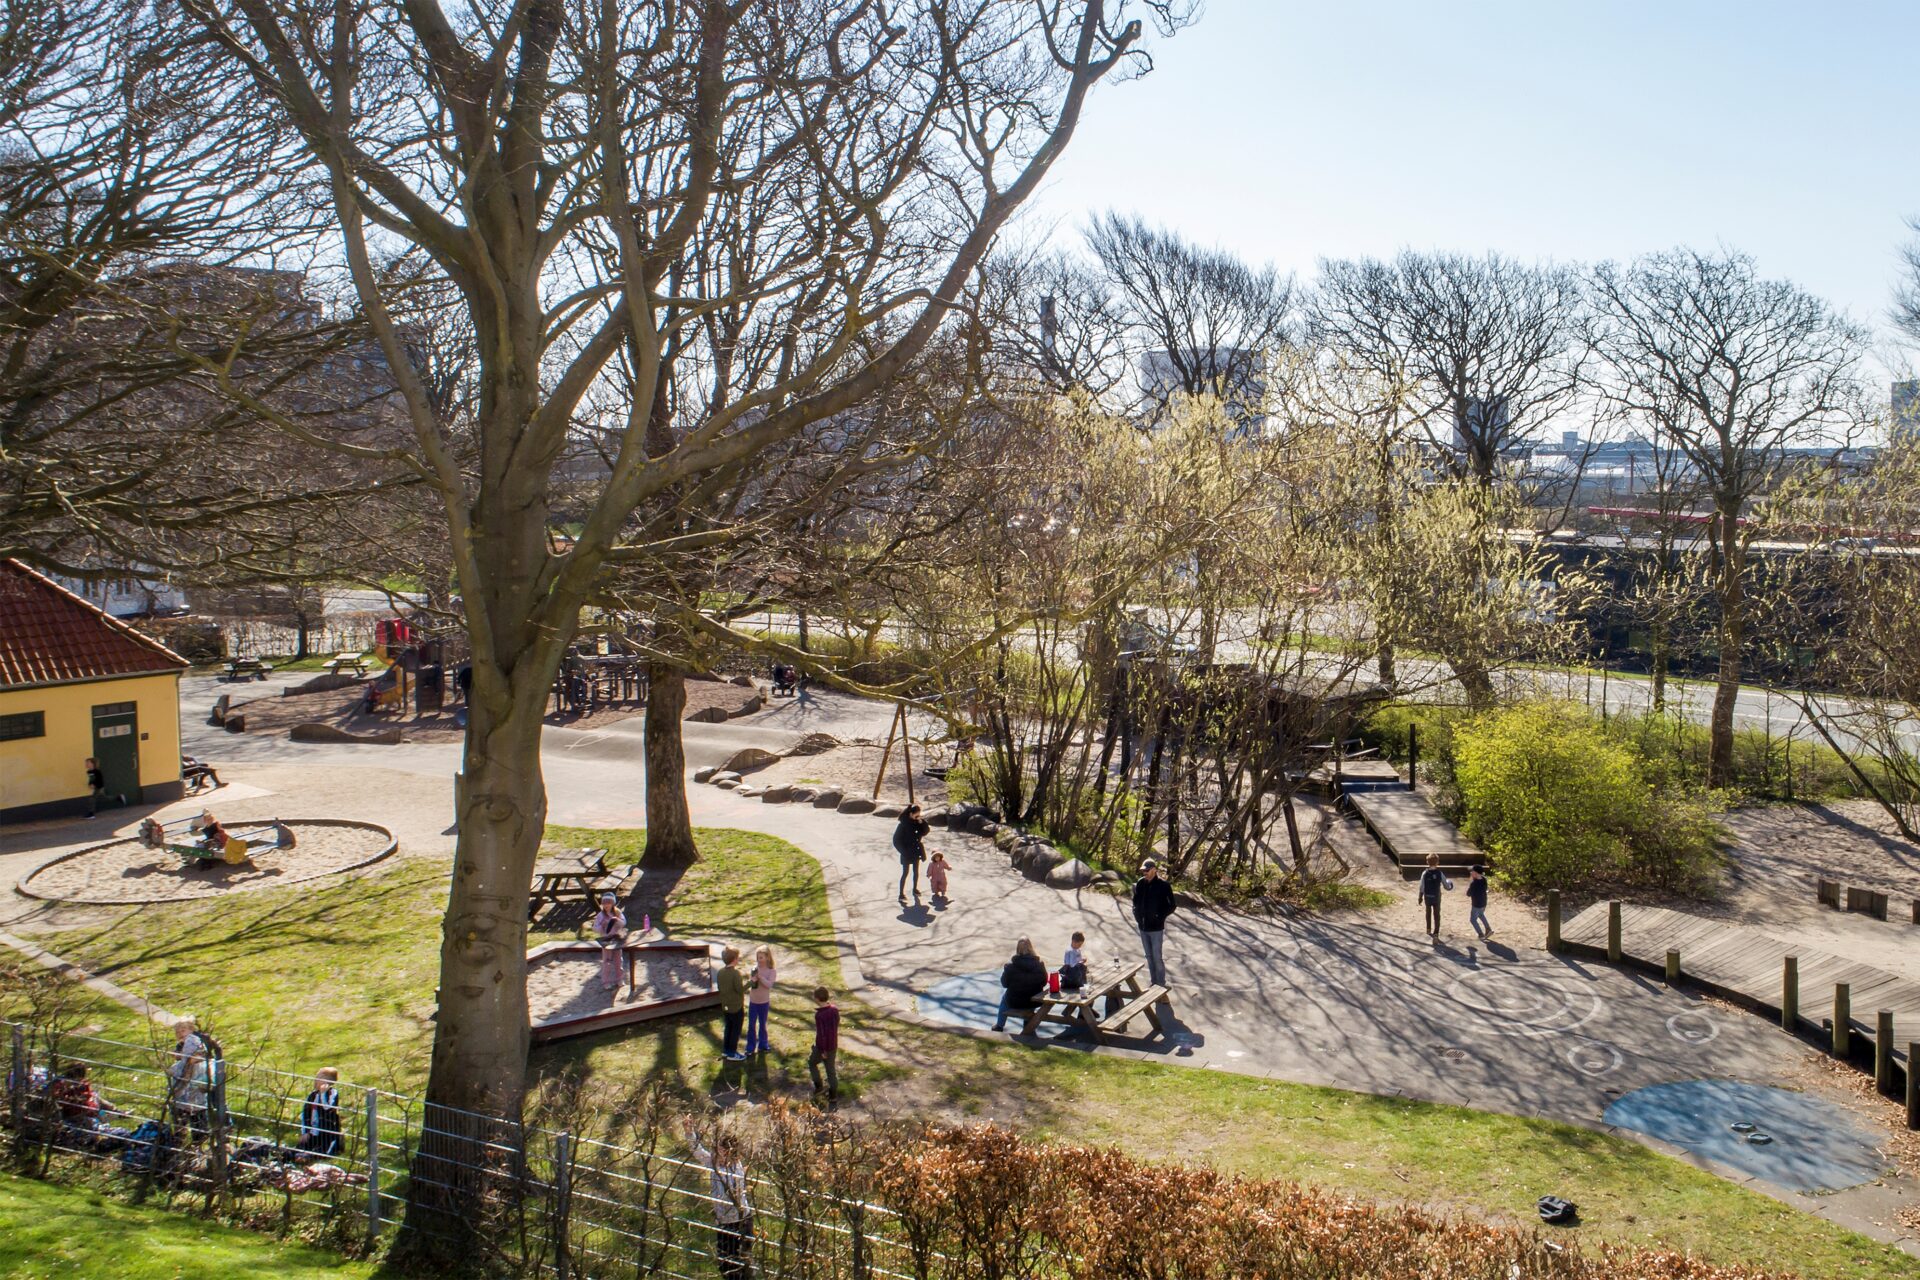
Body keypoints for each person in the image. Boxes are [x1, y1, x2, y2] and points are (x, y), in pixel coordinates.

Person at [685, 1120, 754, 1280]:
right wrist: (690, 1132)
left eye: (720, 1150)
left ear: (730, 1152)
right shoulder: (714, 1163)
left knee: (740, 1266)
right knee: (725, 1265)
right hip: (724, 1222)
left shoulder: (734, 1169)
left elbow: (730, 1197)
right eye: (716, 1149)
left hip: (739, 1221)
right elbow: (698, 1151)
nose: (716, 1153)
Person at [1131, 858, 1176, 988]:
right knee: (1149, 956)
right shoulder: (1140, 884)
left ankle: (1161, 983)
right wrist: (1136, 915)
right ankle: (1153, 982)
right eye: (1143, 870)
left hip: (1156, 928)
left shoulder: (1164, 886)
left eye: (1147, 870)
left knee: (1157, 957)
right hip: (1143, 927)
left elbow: (1172, 905)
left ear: (1154, 870)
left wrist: (1159, 917)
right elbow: (1135, 902)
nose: (1144, 873)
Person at [168, 1016, 212, 1140]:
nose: (179, 1034)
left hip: (194, 1083)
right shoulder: (181, 1045)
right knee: (183, 1111)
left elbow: (192, 1059)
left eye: (183, 1030)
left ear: (191, 1029)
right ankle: (184, 1139)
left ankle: (196, 1141)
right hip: (185, 1088)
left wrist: (178, 1064)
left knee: (195, 1111)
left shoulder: (193, 1041)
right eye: (177, 1032)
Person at [991, 938, 1048, 1033]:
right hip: (1033, 1001)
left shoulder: (1010, 967)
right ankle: (1027, 1022)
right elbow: (1044, 982)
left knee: (1004, 1000)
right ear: (1031, 948)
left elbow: (1004, 984)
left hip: (1015, 1001)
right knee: (1030, 995)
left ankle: (999, 1025)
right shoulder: (1039, 965)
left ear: (1017, 949)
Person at [52, 1062, 113, 1131]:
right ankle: (106, 1123)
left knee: (97, 1099)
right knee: (93, 1114)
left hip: (87, 1108)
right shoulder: (62, 1084)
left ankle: (114, 1113)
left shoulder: (83, 1083)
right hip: (75, 1112)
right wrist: (68, 1093)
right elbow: (59, 1099)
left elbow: (88, 1094)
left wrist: (85, 1096)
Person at [297, 1067, 342, 1156]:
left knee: (322, 1152)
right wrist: (305, 1132)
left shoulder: (332, 1093)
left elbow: (327, 1108)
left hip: (326, 1132)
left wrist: (323, 1094)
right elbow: (305, 1114)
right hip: (313, 1131)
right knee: (300, 1148)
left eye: (319, 1079)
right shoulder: (312, 1095)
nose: (315, 1080)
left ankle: (314, 1154)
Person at [893, 804, 930, 902]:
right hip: (906, 852)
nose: (918, 816)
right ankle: (901, 894)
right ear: (911, 814)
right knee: (905, 873)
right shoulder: (902, 825)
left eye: (919, 815)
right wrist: (904, 851)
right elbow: (896, 840)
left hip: (916, 850)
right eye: (916, 815)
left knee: (916, 871)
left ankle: (915, 889)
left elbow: (925, 832)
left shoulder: (916, 822)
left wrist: (922, 823)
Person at [717, 947, 748, 1061]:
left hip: (725, 1006)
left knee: (728, 1028)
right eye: (737, 957)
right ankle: (732, 1053)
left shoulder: (720, 972)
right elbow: (740, 990)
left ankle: (726, 1050)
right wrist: (751, 982)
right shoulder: (735, 974)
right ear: (734, 959)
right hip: (736, 1007)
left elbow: (720, 987)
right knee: (735, 1030)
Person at [592, 892, 629, 991]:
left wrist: (617, 920)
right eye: (604, 903)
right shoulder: (600, 915)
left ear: (613, 903)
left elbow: (623, 923)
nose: (606, 905)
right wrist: (601, 926)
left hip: (617, 939)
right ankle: (606, 981)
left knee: (618, 960)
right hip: (606, 940)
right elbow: (595, 928)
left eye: (608, 903)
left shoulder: (617, 912)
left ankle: (619, 979)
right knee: (607, 961)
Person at [808, 985, 839, 1099]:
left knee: (811, 1063)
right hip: (833, 1045)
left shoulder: (819, 1015)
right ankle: (833, 1095)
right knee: (831, 1070)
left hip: (823, 1047)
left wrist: (822, 1050)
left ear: (817, 999)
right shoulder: (834, 1010)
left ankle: (819, 1086)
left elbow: (822, 1034)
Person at [746, 946, 776, 1055]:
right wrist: (752, 980)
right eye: (758, 958)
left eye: (761, 958)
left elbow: (769, 985)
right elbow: (752, 985)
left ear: (767, 958)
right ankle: (750, 1047)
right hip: (753, 1001)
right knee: (751, 1025)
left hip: (764, 1002)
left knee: (762, 1024)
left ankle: (763, 1044)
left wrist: (761, 978)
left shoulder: (771, 971)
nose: (759, 960)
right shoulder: (754, 969)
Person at [1417, 853, 1454, 940]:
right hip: (1436, 897)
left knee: (1428, 912)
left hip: (1427, 896)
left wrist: (1420, 897)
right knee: (1437, 914)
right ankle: (1436, 933)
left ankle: (1428, 929)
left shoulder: (1425, 873)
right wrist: (1450, 887)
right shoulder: (1440, 873)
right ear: (1437, 862)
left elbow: (1421, 886)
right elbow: (1446, 885)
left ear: (1427, 862)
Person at [1467, 864, 1493, 940]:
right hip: (1483, 903)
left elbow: (1468, 894)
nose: (1471, 873)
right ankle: (1488, 929)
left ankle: (1480, 934)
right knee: (1481, 914)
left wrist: (1471, 882)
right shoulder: (1484, 879)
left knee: (1472, 920)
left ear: (1476, 873)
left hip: (1476, 904)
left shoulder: (1474, 883)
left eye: (1472, 871)